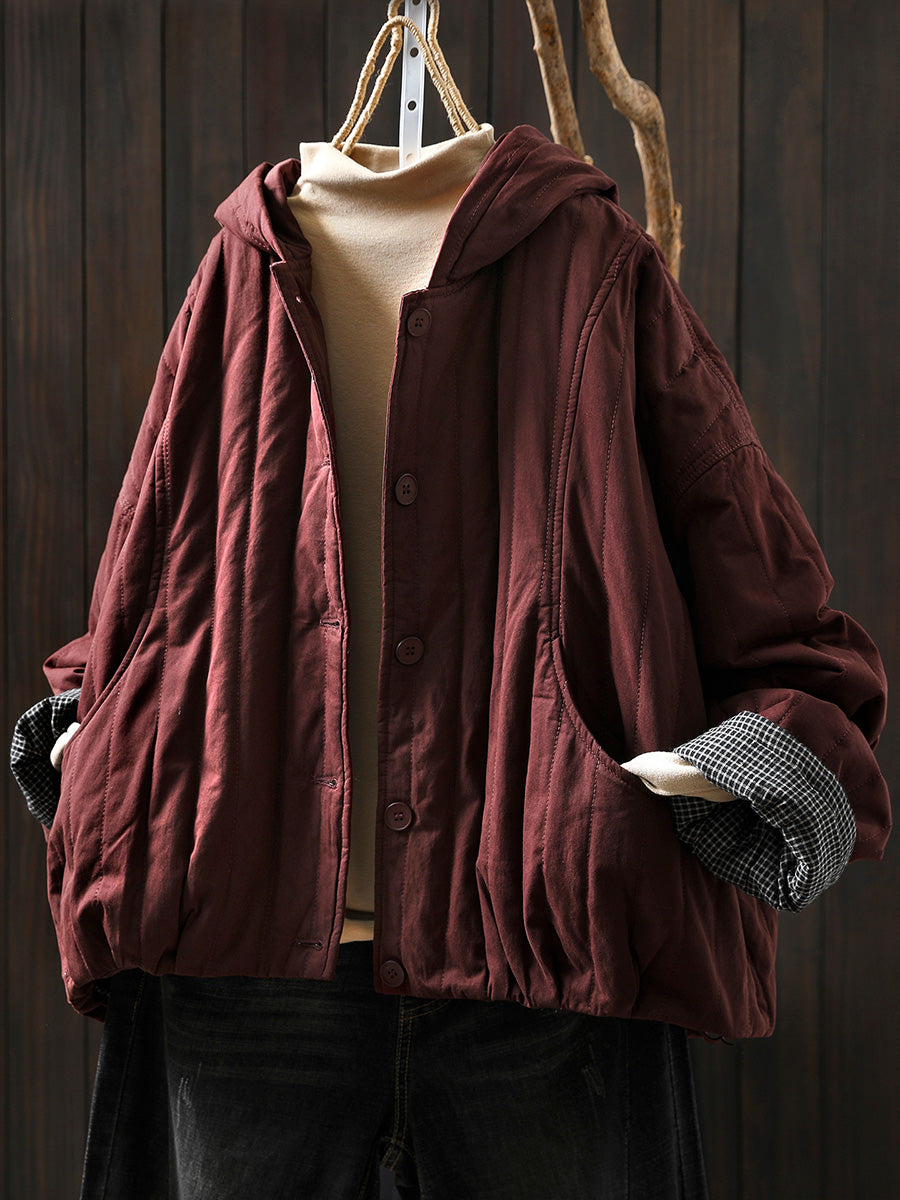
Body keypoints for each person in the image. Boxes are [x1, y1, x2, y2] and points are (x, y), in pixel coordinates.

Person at [11, 123, 890, 1199]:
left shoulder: (593, 263)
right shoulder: (238, 270)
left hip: (543, 946)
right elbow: (148, 578)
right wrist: (91, 740)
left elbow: (769, 589)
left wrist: (740, 763)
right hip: (247, 954)